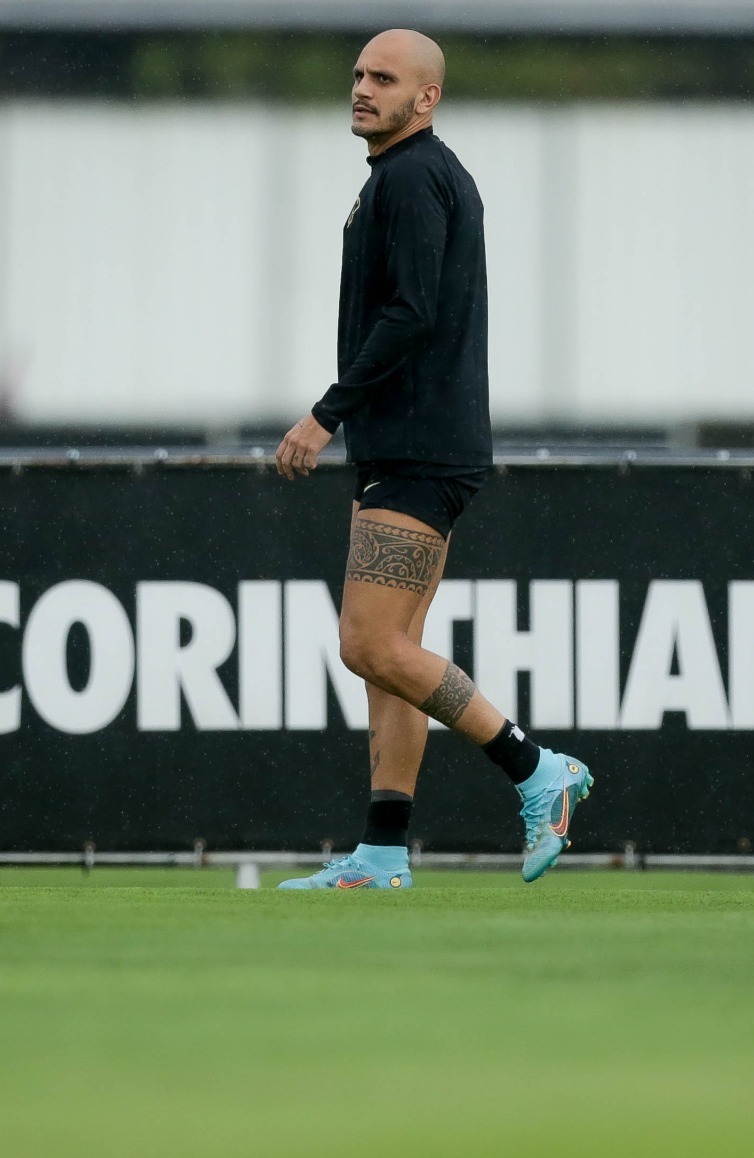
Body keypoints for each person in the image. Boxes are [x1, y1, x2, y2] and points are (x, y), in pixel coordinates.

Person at [273, 29, 591, 890]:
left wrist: (324, 414)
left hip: (417, 445)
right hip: (413, 445)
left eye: (385, 78)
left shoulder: (414, 178)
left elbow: (410, 316)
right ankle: (382, 851)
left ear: (428, 96)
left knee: (367, 642)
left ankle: (536, 768)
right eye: (359, 74)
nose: (363, 88)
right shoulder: (403, 176)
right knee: (389, 656)